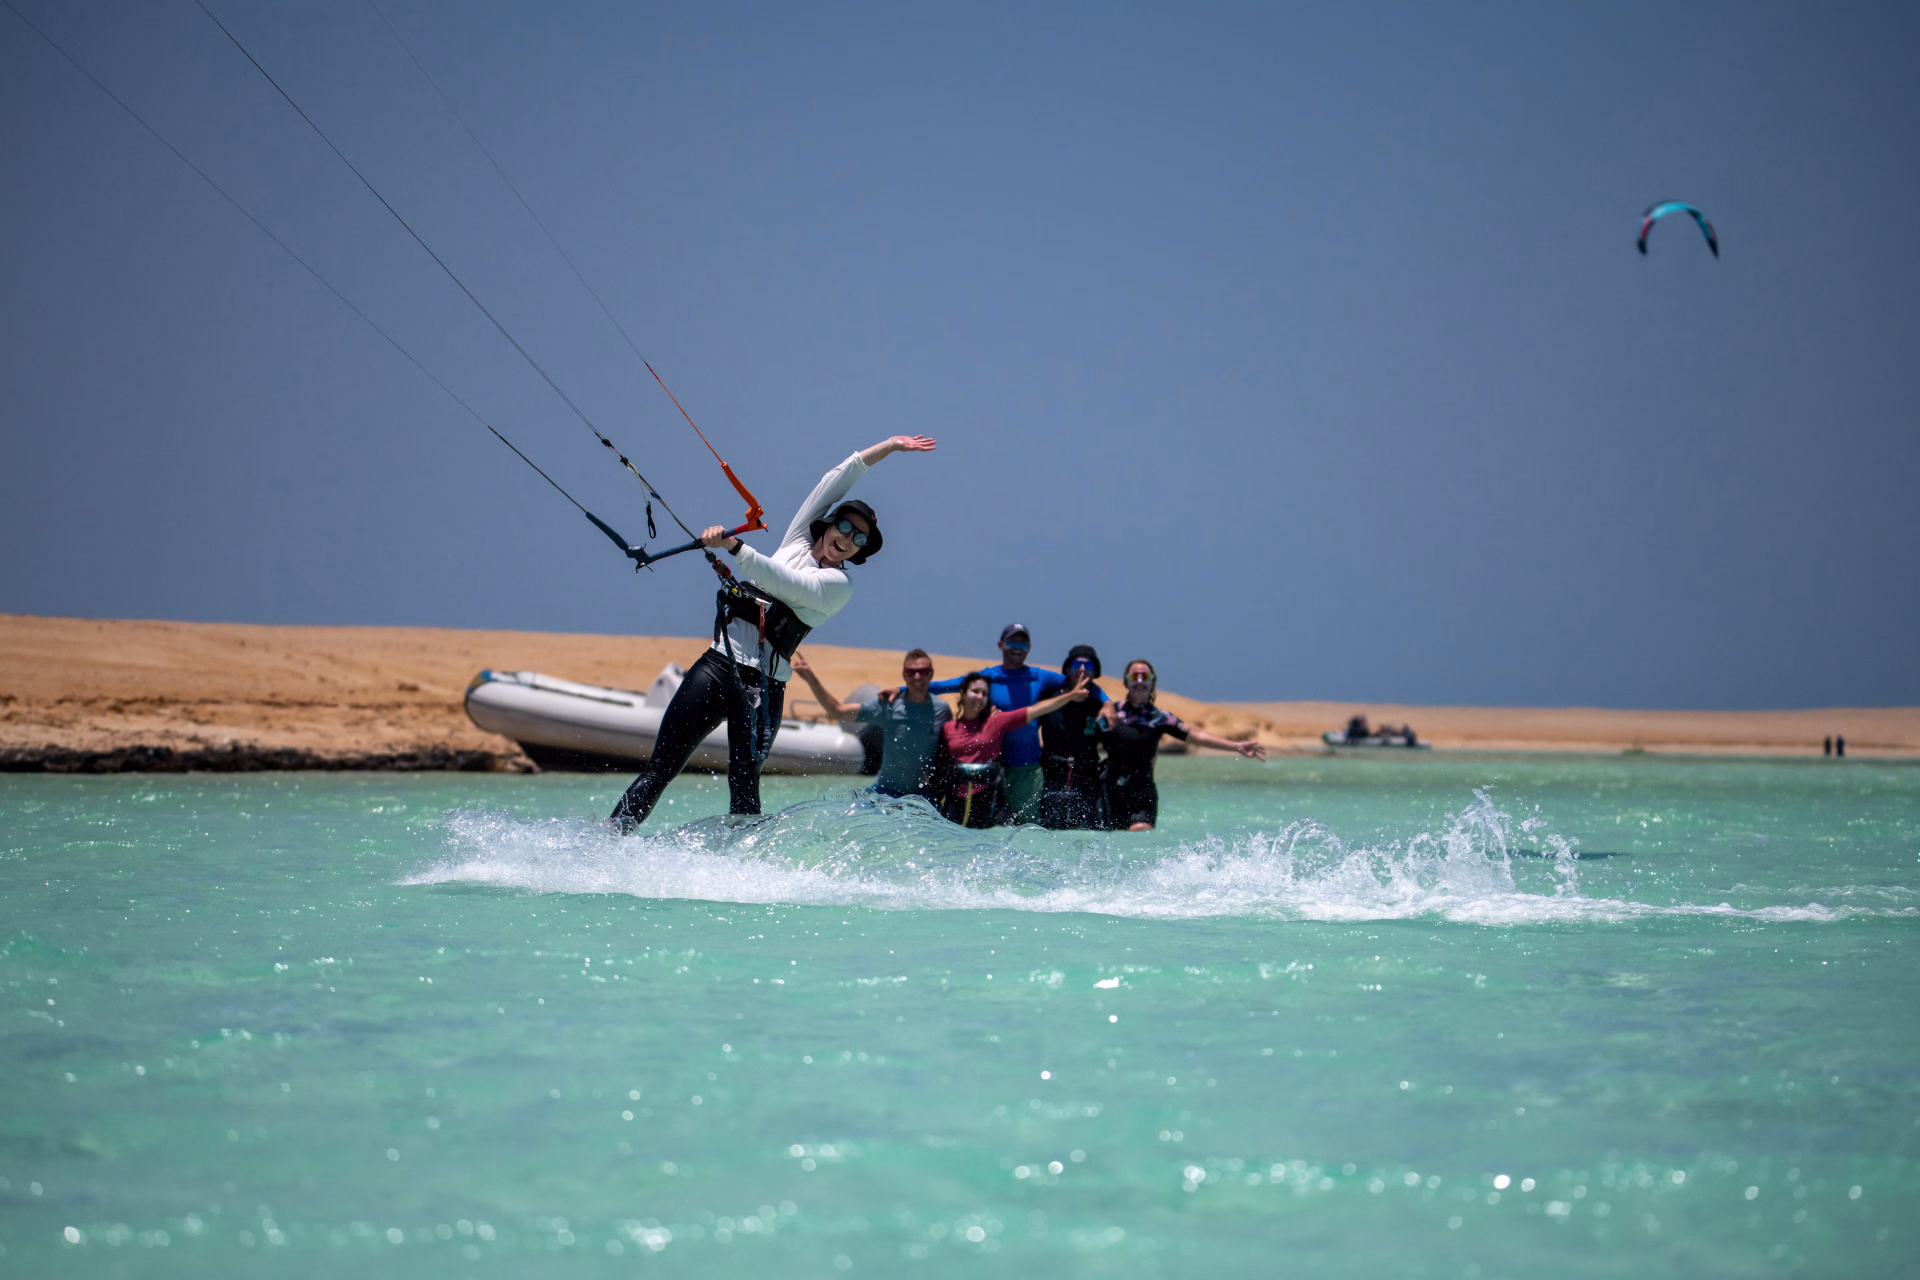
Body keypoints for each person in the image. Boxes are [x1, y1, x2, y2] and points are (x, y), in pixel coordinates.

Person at [608, 435, 936, 831]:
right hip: (715, 667)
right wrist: (889, 445)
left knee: (744, 788)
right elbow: (837, 478)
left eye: (858, 539)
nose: (847, 539)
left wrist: (735, 548)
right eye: (845, 527)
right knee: (660, 767)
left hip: (762, 689)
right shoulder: (798, 538)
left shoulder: (837, 586)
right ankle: (608, 840)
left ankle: (744, 876)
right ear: (829, 523)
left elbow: (785, 584)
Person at [1100, 660, 1266, 831]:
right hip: (1110, 790)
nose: (1140, 681)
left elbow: (1196, 735)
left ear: (1152, 683)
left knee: (1140, 834)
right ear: (1127, 681)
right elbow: (1086, 738)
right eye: (1135, 676)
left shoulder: (1159, 718)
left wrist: (1235, 746)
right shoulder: (1111, 713)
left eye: (1145, 677)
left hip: (1142, 793)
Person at [926, 624, 1064, 823]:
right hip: (992, 771)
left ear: (1029, 647)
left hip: (1024, 768)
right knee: (992, 827)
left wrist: (1107, 703)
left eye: (1022, 643)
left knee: (1027, 829)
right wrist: (901, 689)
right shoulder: (986, 678)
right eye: (1011, 641)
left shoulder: (1040, 676)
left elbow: (1077, 685)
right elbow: (942, 686)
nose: (1017, 647)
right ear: (1000, 645)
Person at [937, 668, 1093, 828]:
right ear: (962, 692)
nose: (979, 697)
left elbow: (1035, 710)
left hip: (987, 803)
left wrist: (1071, 695)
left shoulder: (995, 722)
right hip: (954, 802)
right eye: (975, 691)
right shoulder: (948, 728)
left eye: (984, 694)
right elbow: (939, 763)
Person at [789, 648, 950, 799]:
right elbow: (838, 710)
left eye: (923, 672)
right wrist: (811, 679)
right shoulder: (888, 706)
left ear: (931, 674)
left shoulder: (942, 710)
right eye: (911, 672)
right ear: (904, 674)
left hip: (922, 796)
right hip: (885, 794)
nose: (917, 677)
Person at [1038, 644, 1110, 829]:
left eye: (1089, 666)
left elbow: (1113, 741)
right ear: (1068, 668)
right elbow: (1026, 726)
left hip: (1086, 776)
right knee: (1049, 828)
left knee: (1085, 829)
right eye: (1077, 664)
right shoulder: (1048, 697)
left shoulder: (1100, 705)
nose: (1082, 669)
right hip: (1051, 774)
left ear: (1095, 673)